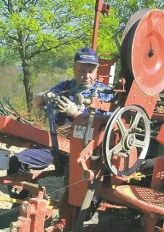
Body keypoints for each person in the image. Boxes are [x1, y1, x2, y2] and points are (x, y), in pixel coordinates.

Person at [7, 47, 113, 201]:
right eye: (82, 70)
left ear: (97, 71)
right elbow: (36, 102)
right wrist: (45, 96)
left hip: (84, 151)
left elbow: (106, 125)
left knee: (77, 192)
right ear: (74, 69)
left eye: (90, 71)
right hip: (56, 145)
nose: (86, 76)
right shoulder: (65, 87)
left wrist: (75, 113)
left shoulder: (105, 93)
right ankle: (19, 204)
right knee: (17, 162)